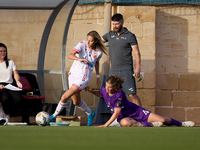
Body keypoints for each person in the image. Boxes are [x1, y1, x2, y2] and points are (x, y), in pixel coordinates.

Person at [85, 75, 195, 127]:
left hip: (136, 111)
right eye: (107, 86)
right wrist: (91, 91)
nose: (108, 89)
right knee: (125, 123)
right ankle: (151, 125)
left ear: (115, 86)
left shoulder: (119, 94)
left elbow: (117, 112)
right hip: (124, 117)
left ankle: (181, 124)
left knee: (163, 120)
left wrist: (105, 125)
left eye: (110, 87)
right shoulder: (105, 90)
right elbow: (100, 94)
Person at [50, 31, 107, 126]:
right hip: (73, 74)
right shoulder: (82, 44)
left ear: (96, 41)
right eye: (87, 40)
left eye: (91, 41)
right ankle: (90, 113)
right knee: (76, 101)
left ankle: (53, 116)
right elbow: (70, 55)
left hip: (83, 77)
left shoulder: (99, 52)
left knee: (64, 96)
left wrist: (97, 76)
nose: (88, 42)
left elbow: (96, 62)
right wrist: (80, 59)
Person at [102, 13, 141, 106]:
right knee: (113, 94)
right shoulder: (109, 35)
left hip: (126, 70)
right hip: (113, 71)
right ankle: (118, 117)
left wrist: (138, 68)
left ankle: (141, 115)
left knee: (132, 95)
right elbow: (98, 41)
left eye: (117, 24)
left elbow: (136, 52)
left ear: (122, 23)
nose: (115, 26)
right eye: (113, 24)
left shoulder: (130, 36)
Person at [0, 43, 23, 123]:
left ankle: (4, 109)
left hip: (9, 85)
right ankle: (6, 114)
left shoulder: (10, 62)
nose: (3, 53)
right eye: (1, 51)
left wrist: (17, 81)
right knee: (5, 98)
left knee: (19, 99)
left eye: (4, 51)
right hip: (0, 86)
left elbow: (15, 74)